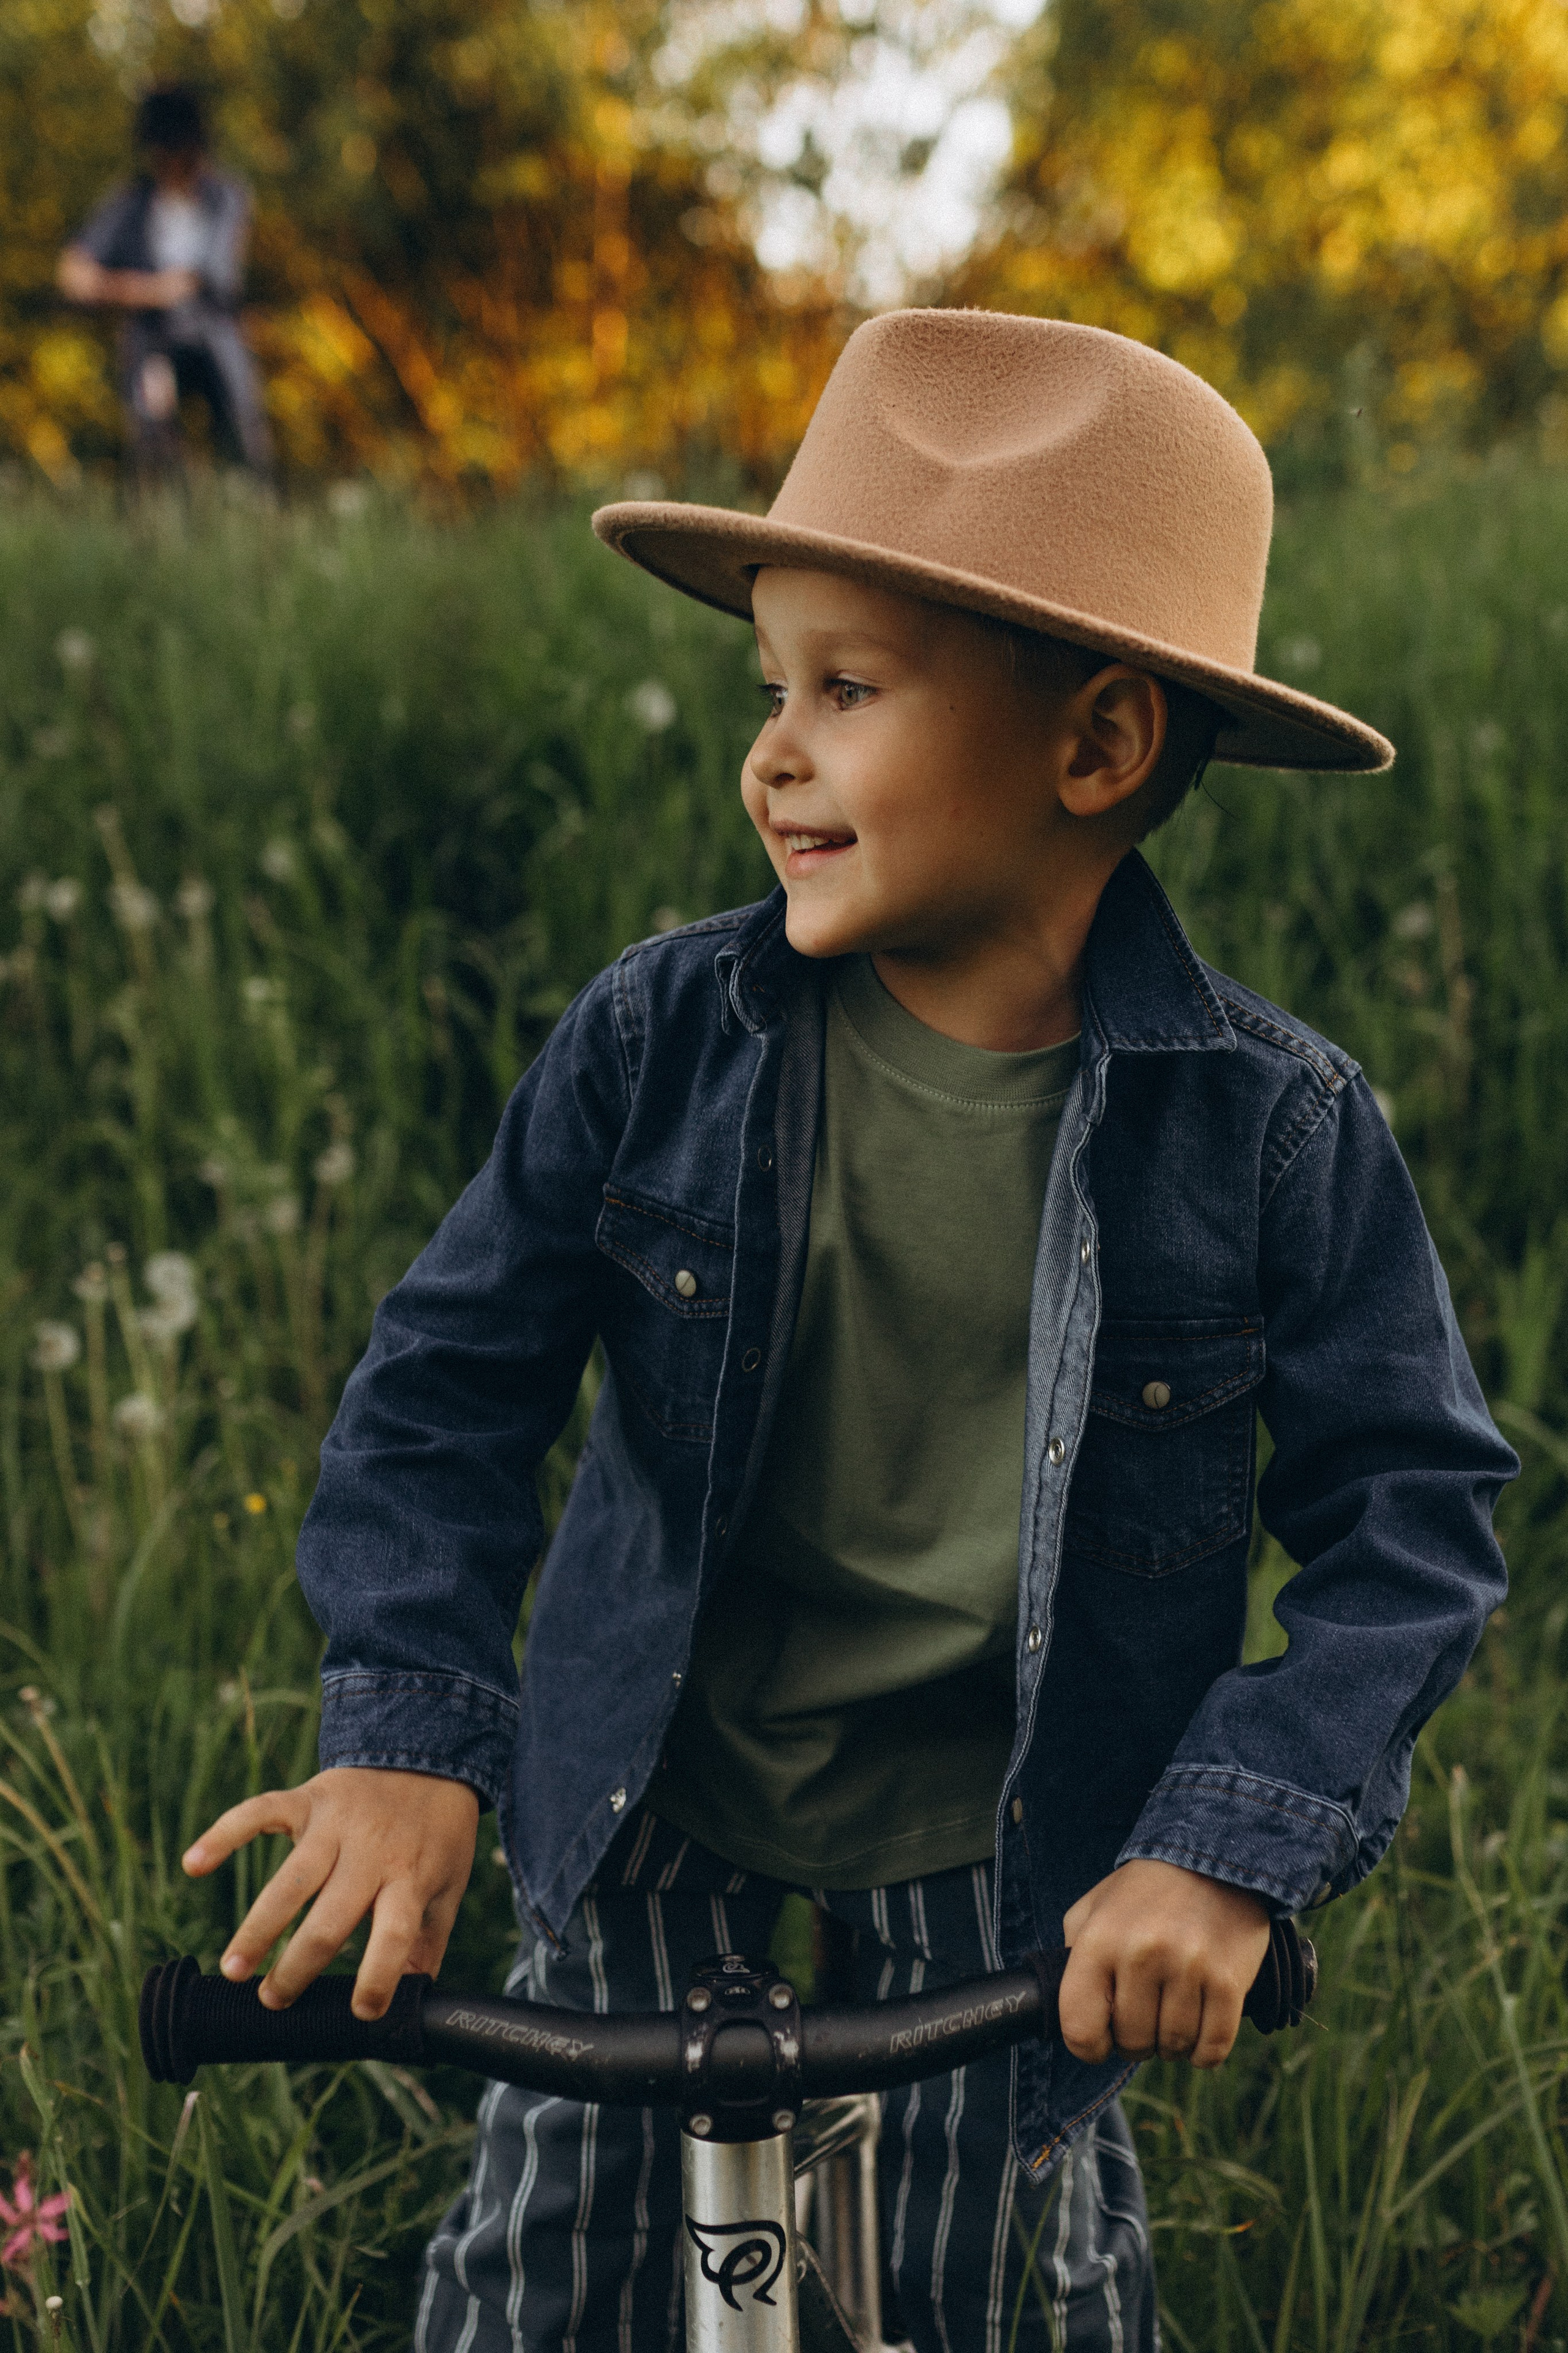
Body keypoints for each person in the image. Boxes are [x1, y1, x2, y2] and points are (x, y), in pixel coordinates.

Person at [181, 311, 1515, 2352]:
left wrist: (1224, 1851)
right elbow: (444, 1393)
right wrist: (411, 1743)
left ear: (1096, 748)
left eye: (850, 689)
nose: (773, 750)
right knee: (549, 2282)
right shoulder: (658, 1041)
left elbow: (1412, 1518)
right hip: (663, 1783)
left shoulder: (1272, 1130)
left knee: (1018, 2287)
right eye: (770, 687)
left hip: (1023, 1833)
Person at [56, 85, 271, 477]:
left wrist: (185, 286)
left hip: (216, 330)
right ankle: (161, 509)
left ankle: (255, 502)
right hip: (154, 338)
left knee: (244, 426)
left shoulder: (227, 197)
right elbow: (73, 274)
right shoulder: (131, 203)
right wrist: (148, 292)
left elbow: (222, 274)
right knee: (153, 424)